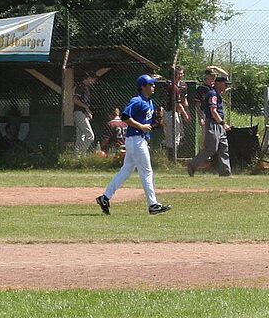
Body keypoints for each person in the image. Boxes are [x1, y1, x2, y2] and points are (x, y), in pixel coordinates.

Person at [95, 75, 171, 216]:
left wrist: (157, 123)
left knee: (126, 170)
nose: (153, 86)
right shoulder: (137, 100)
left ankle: (105, 197)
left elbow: (149, 122)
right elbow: (125, 116)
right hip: (136, 140)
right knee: (146, 172)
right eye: (151, 84)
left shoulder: (149, 102)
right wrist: (141, 126)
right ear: (143, 87)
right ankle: (153, 205)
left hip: (138, 140)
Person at [187, 74, 231, 177]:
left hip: (219, 124)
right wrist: (223, 124)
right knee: (211, 148)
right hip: (213, 123)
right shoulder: (212, 94)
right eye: (225, 84)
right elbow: (213, 111)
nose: (226, 86)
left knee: (223, 148)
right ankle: (192, 164)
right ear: (218, 83)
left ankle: (225, 173)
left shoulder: (217, 94)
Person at [162, 65, 190, 157]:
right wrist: (185, 114)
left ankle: (171, 155)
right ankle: (169, 157)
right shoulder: (170, 85)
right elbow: (177, 103)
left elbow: (184, 99)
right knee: (172, 136)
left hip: (178, 112)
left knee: (180, 134)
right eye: (179, 73)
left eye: (182, 73)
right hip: (170, 112)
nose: (181, 75)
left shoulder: (183, 85)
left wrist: (187, 111)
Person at [73, 71, 104, 153]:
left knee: (80, 136)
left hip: (83, 113)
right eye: (93, 79)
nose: (93, 81)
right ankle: (82, 153)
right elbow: (75, 100)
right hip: (79, 112)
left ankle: (77, 156)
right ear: (89, 78)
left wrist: (86, 111)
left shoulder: (86, 87)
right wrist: (86, 108)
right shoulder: (80, 87)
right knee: (90, 136)